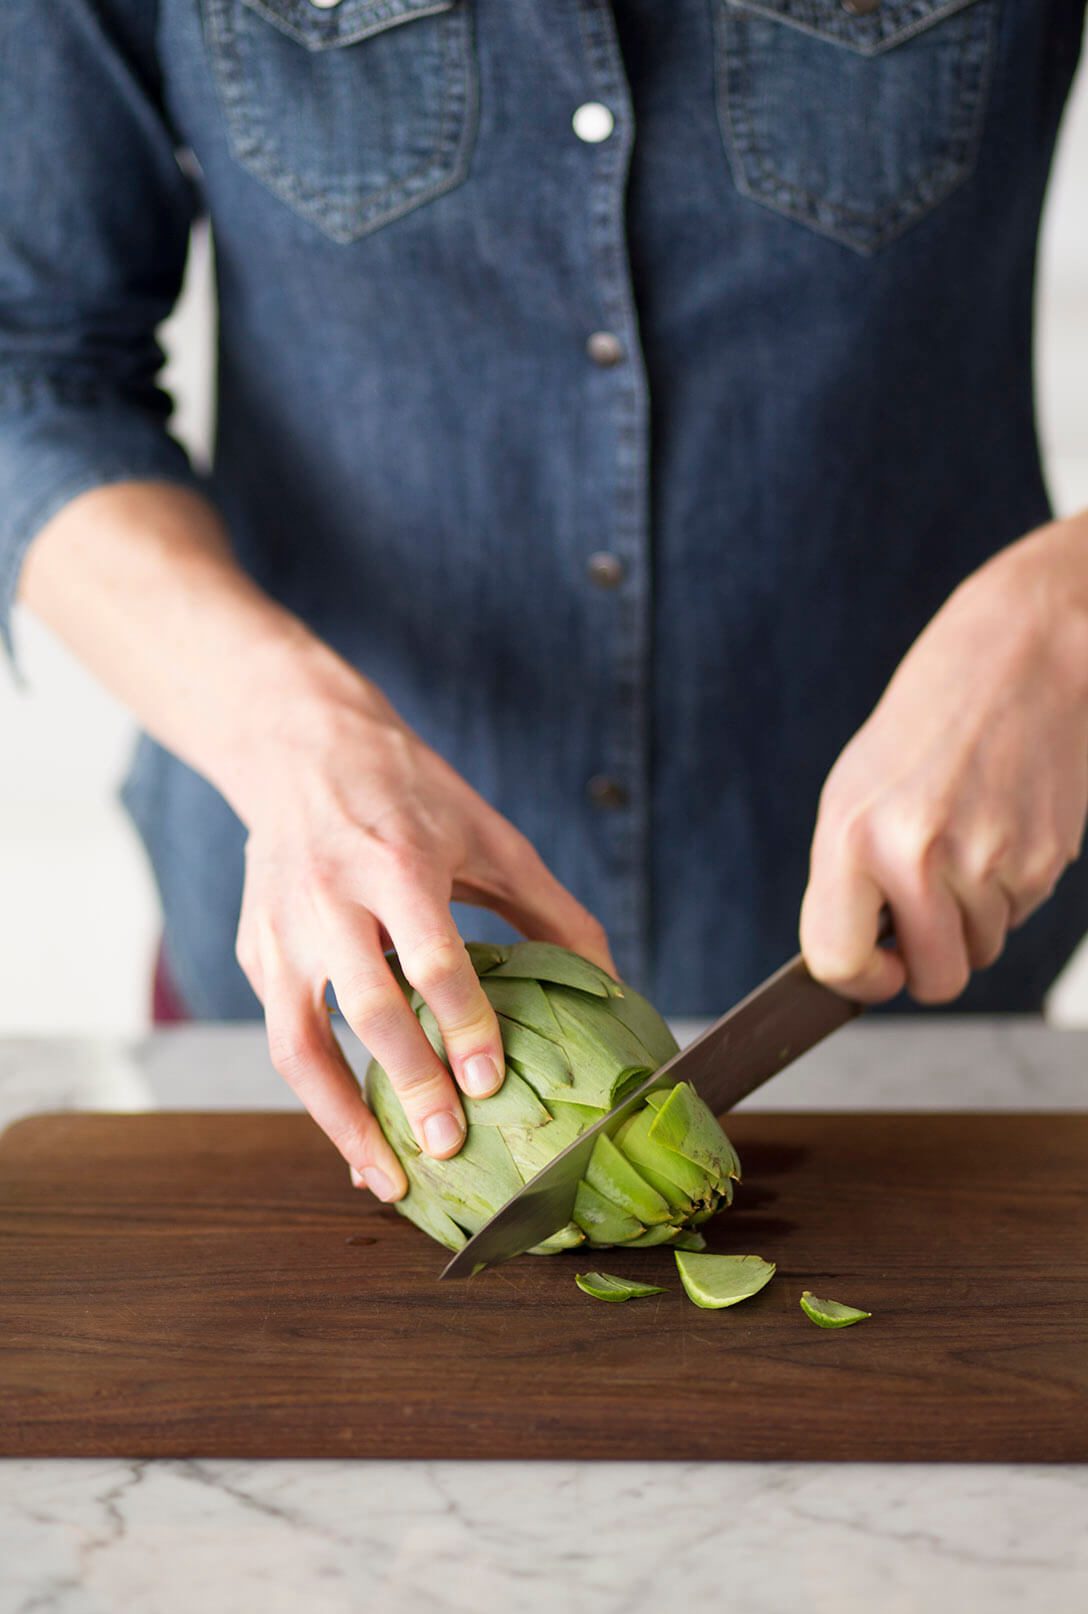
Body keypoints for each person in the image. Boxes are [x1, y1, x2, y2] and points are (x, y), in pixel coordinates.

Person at [3, 0, 1087, 1205]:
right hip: (318, 987)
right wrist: (288, 731)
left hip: (920, 965)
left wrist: (1068, 612)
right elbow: (28, 370)